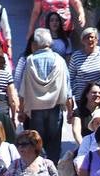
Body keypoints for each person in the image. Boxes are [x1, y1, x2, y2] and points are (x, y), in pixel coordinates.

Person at [17, 28, 73, 164]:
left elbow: (22, 88)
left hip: (35, 110)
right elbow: (67, 90)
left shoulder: (30, 60)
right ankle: (51, 171)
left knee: (36, 143)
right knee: (53, 144)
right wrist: (70, 111)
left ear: (35, 44)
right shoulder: (59, 60)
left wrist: (21, 110)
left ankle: (38, 172)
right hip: (55, 108)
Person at [68, 27, 100, 107]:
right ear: (82, 41)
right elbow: (70, 78)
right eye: (87, 38)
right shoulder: (76, 56)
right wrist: (71, 96)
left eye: (92, 37)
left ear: (97, 40)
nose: (90, 40)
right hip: (81, 98)